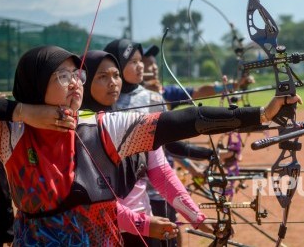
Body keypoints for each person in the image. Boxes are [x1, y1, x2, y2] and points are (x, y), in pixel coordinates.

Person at [0, 44, 301, 245]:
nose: (75, 82)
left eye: (76, 74)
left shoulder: (105, 127)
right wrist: (21, 112)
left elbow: (183, 121)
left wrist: (261, 114)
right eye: (62, 76)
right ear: (36, 84)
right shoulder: (11, 134)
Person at [82, 48, 213, 246]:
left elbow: (161, 173)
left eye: (116, 75)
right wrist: (141, 224)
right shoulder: (75, 130)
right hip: (101, 234)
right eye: (102, 76)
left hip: (144, 229)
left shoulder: (131, 122)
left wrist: (197, 217)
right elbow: (90, 199)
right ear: (85, 80)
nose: (113, 83)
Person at [142, 45, 255, 110]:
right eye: (149, 64)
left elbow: (198, 92)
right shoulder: (126, 94)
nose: (154, 68)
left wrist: (232, 85)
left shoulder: (166, 91)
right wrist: (147, 90)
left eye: (155, 63)